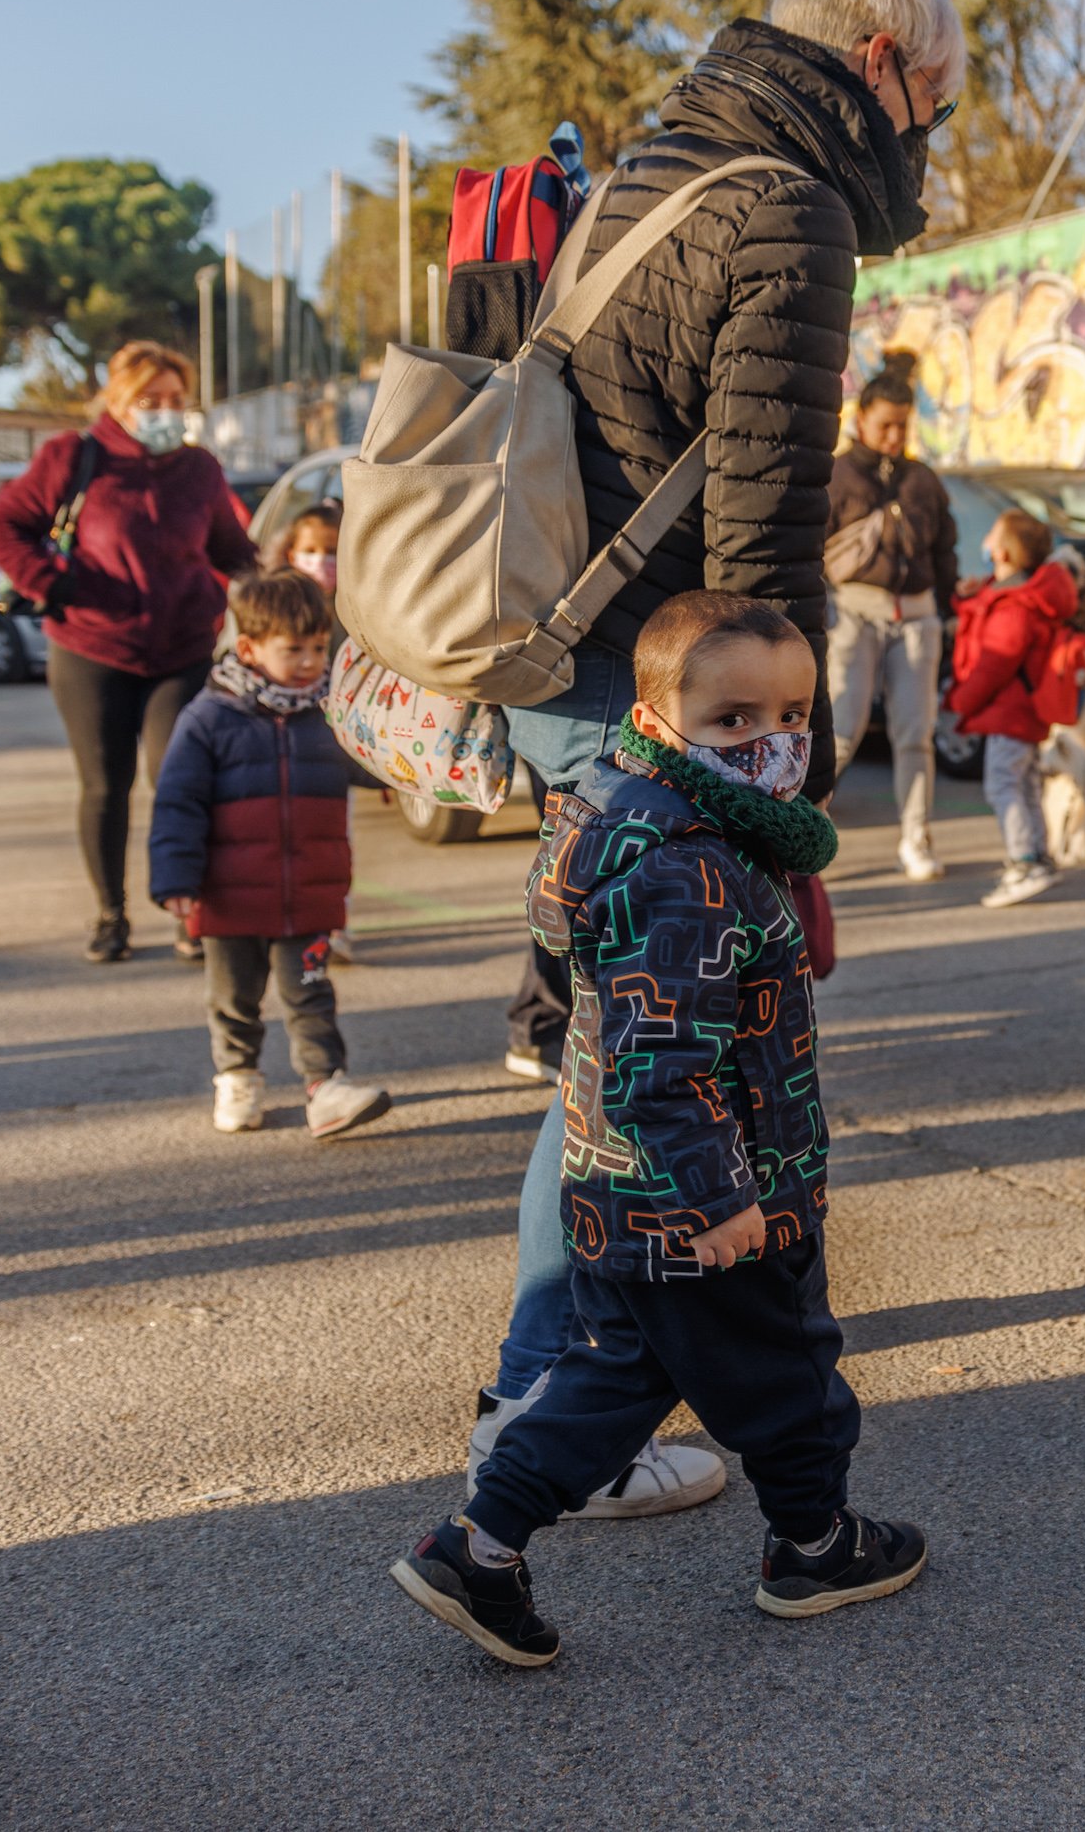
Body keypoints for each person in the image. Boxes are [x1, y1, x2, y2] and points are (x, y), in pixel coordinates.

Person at [470, 0, 965, 1526]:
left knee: (610, 1044)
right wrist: (780, 790)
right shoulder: (787, 209)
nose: (927, 142)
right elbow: (762, 546)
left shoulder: (649, 169)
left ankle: (552, 1403)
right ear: (881, 68)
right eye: (935, 106)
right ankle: (557, 1419)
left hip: (553, 657)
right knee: (639, 1055)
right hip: (656, 691)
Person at [391, 593, 926, 1667]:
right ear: (653, 719)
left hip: (618, 1194)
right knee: (789, 1376)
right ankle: (814, 1542)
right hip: (706, 1199)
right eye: (732, 719)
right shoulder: (685, 866)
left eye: (790, 715)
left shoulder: (652, 824)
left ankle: (478, 1546)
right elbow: (662, 1061)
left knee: (613, 1377)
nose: (768, 743)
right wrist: (722, 1197)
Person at [0, 341, 260, 965]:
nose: (164, 411)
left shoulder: (200, 470)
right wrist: (51, 584)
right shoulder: (74, 457)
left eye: (175, 400)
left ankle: (188, 913)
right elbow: (2, 526)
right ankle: (111, 913)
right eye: (149, 400)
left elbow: (233, 551)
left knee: (180, 780)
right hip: (91, 649)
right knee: (106, 786)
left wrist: (282, 586)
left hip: (182, 649)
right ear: (118, 400)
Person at [146, 568, 391, 1140]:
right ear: (249, 648)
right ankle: (237, 1076)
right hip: (229, 896)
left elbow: (367, 761)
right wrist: (175, 881)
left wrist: (399, 768)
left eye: (316, 647)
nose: (309, 661)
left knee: (310, 994)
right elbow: (177, 802)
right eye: (293, 650)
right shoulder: (209, 717)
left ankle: (325, 1086)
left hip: (309, 891)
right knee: (234, 997)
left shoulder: (332, 713)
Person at [824, 350, 962, 881]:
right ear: (862, 420)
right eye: (885, 425)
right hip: (854, 612)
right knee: (840, 733)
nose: (893, 436)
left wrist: (949, 609)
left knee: (914, 735)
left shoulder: (922, 478)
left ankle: (917, 839)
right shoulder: (836, 475)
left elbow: (945, 548)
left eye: (902, 426)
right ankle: (805, 839)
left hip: (919, 616)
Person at [947, 509, 1084, 909]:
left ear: (1003, 551)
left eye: (991, 533)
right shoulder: (1013, 592)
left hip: (1010, 711)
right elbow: (981, 615)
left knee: (1003, 784)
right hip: (1021, 711)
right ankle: (1039, 855)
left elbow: (994, 663)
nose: (985, 541)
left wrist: (962, 701)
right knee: (1024, 784)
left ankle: (1024, 861)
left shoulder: (1015, 606)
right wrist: (968, 597)